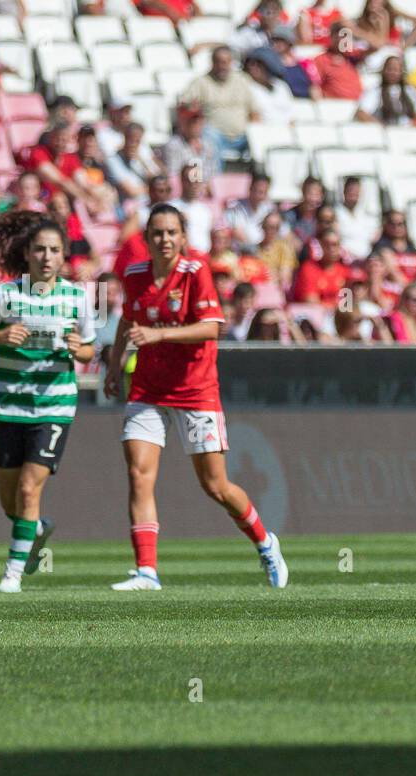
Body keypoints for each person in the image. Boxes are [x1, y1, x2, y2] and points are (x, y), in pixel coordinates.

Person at [105, 203, 288, 591]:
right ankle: (147, 572)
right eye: (157, 233)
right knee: (138, 474)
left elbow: (210, 329)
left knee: (216, 486)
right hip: (148, 389)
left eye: (172, 232)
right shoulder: (135, 275)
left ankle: (265, 542)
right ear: (146, 239)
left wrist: (158, 335)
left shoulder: (196, 272)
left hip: (195, 390)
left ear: (183, 238)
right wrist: (113, 364)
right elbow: (127, 318)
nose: (165, 239)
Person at [0, 211, 98, 593]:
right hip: (10, 405)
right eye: (40, 249)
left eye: (55, 250)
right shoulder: (5, 295)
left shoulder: (76, 296)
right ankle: (35, 530)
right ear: (27, 254)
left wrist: (79, 349)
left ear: (63, 256)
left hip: (54, 406)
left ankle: (12, 574)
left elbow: (90, 350)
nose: (47, 257)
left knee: (28, 489)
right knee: (10, 500)